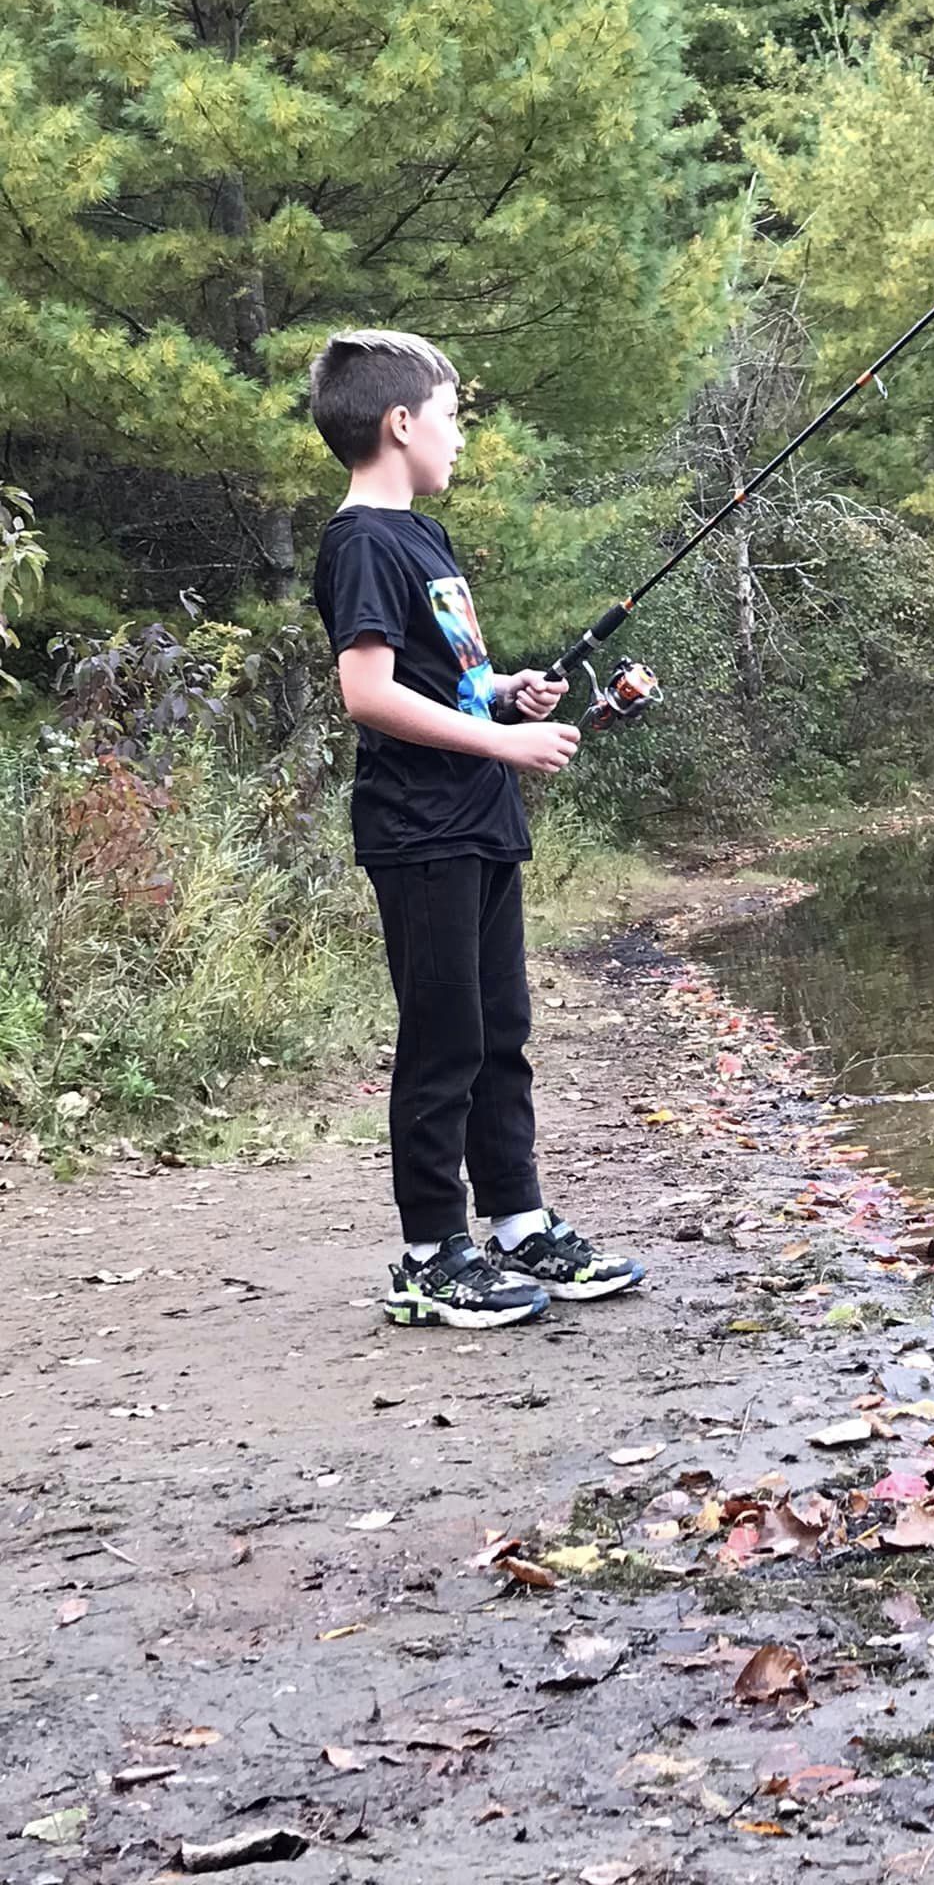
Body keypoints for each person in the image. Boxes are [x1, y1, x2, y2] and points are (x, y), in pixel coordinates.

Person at [310, 328, 644, 1329]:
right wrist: (503, 745)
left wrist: (502, 691)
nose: (460, 437)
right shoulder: (362, 540)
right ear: (399, 423)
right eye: (451, 418)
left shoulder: (424, 536)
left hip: (477, 821)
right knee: (444, 1037)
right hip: (421, 830)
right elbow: (366, 693)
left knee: (502, 1032)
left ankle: (516, 1221)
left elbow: (432, 675)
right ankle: (428, 1252)